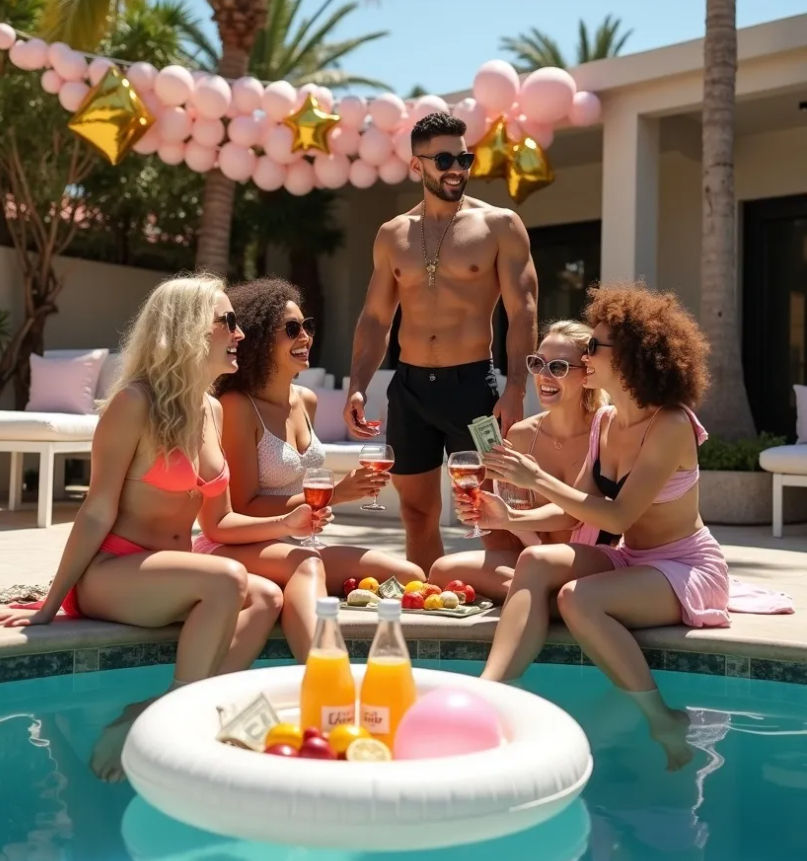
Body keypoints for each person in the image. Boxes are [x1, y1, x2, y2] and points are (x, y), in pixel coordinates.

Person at [0, 274, 323, 780]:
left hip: (172, 574)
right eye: (227, 322)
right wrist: (49, 604)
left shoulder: (212, 411)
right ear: (189, 329)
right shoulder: (134, 404)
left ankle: (166, 707)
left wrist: (287, 521)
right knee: (228, 580)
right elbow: (96, 511)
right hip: (112, 571)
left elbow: (220, 519)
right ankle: (161, 722)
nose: (239, 335)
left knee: (266, 597)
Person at [473, 285, 729, 770]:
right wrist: (511, 517)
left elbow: (616, 517)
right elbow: (577, 512)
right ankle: (492, 691)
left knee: (578, 598)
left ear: (630, 357)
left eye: (594, 347)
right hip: (634, 559)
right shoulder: (607, 419)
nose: (585, 354)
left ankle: (661, 718)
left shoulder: (670, 424)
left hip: (685, 565)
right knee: (535, 559)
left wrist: (538, 478)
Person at [343, 111, 538, 572]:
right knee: (416, 512)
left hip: (474, 388)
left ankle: (507, 603)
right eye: (444, 158)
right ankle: (430, 602)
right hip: (410, 390)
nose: (457, 168)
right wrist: (357, 383)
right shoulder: (393, 234)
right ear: (417, 166)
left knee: (489, 515)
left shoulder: (500, 225)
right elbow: (375, 317)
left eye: (464, 158)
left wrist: (515, 389)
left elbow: (523, 309)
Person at [212, 278, 425, 659]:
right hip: (242, 542)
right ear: (259, 340)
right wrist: (336, 494)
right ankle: (325, 672)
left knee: (409, 577)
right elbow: (241, 506)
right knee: (309, 566)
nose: (305, 336)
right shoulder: (237, 407)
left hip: (299, 542)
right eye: (291, 329)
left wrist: (327, 500)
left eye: (307, 326)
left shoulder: (305, 400)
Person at [429, 320, 609, 602]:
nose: (544, 376)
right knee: (442, 570)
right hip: (532, 559)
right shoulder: (523, 435)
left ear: (588, 373)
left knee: (530, 574)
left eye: (558, 367)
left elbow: (578, 515)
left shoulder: (607, 431)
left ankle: (537, 596)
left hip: (588, 561)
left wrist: (513, 517)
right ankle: (543, 598)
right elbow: (508, 533)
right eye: (537, 364)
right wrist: (487, 512)